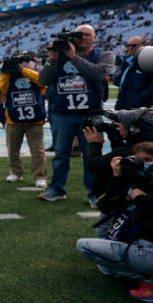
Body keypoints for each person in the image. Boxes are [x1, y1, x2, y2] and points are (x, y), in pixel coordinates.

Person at [76, 141, 153, 301]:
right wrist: (117, 177)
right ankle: (150, 276)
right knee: (105, 267)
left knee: (85, 247)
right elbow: (106, 207)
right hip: (141, 244)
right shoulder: (136, 180)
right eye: (139, 160)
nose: (144, 164)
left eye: (149, 159)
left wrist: (141, 200)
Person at [38, 25, 115, 204]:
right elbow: (43, 79)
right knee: (60, 154)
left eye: (86, 35)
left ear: (94, 37)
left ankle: (95, 193)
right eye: (79, 35)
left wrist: (73, 57)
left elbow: (98, 74)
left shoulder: (104, 55)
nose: (82, 38)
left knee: (92, 155)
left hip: (90, 113)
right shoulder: (59, 57)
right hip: (62, 113)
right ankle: (56, 189)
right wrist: (52, 58)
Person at [0, 56, 47, 188]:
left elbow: (42, 82)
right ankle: (16, 172)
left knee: (38, 150)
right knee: (13, 149)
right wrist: (5, 72)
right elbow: (2, 90)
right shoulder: (9, 77)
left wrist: (23, 70)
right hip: (14, 119)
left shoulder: (35, 74)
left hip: (35, 119)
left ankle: (40, 176)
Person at [114, 36, 153, 110]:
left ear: (144, 45)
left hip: (143, 107)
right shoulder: (127, 62)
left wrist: (139, 99)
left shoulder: (152, 60)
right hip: (125, 106)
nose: (130, 48)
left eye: (134, 45)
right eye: (128, 45)